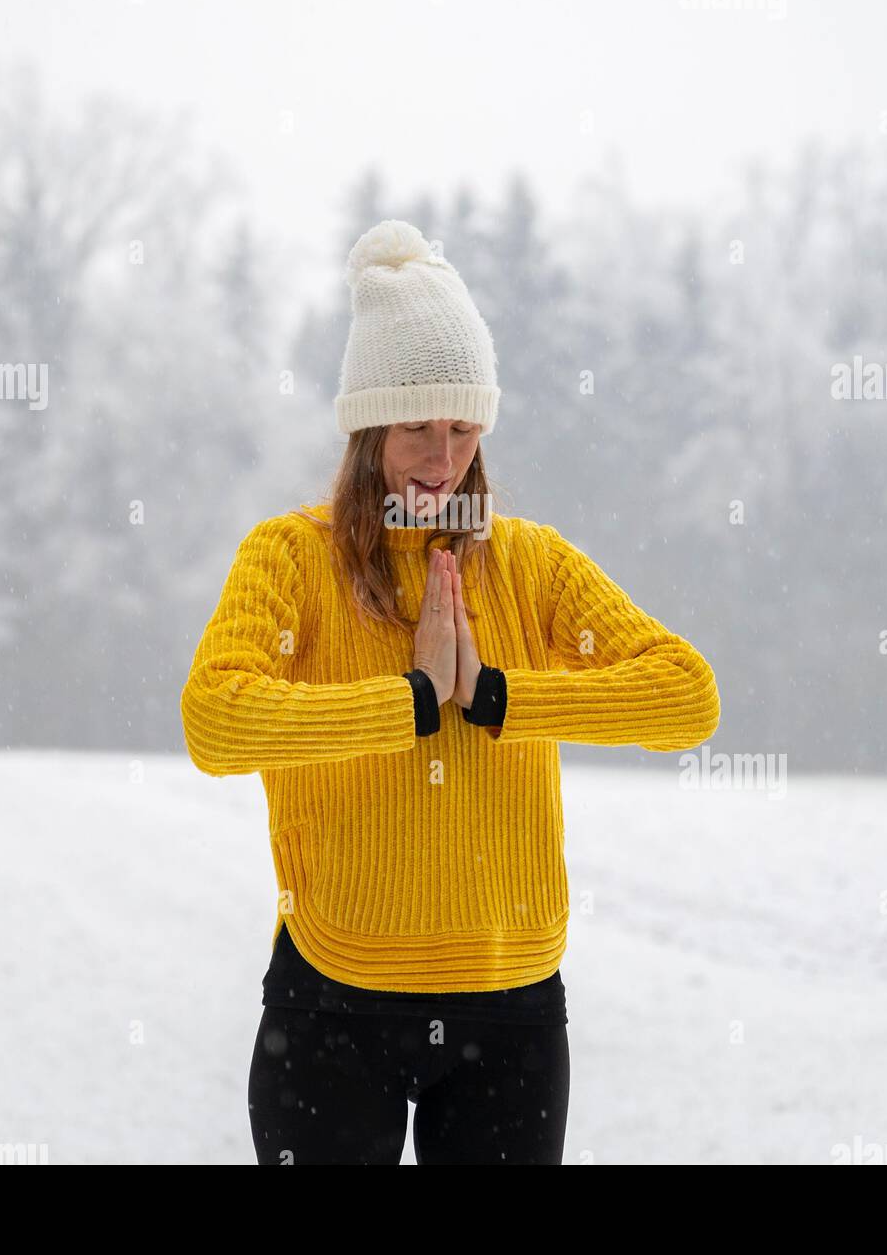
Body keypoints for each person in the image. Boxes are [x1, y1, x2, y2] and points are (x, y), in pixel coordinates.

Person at [181, 219, 721, 1164]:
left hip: (510, 1017)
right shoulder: (292, 559)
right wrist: (412, 701)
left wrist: (499, 698)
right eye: (417, 427)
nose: (443, 457)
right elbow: (217, 722)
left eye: (464, 427)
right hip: (333, 1004)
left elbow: (686, 695)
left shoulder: (529, 564)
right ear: (366, 431)